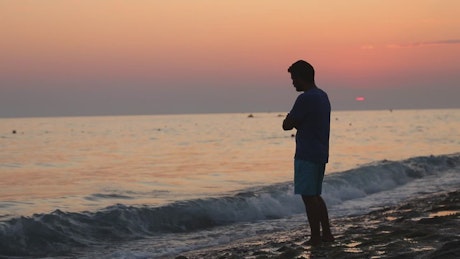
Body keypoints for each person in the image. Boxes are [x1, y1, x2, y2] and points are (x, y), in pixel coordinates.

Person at [282, 60, 334, 245]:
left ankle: (315, 237)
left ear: (302, 77)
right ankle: (326, 234)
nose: (293, 82)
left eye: (294, 78)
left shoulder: (306, 98)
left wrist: (291, 119)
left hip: (307, 152)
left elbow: (286, 125)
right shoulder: (322, 96)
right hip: (320, 151)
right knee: (315, 195)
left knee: (308, 196)